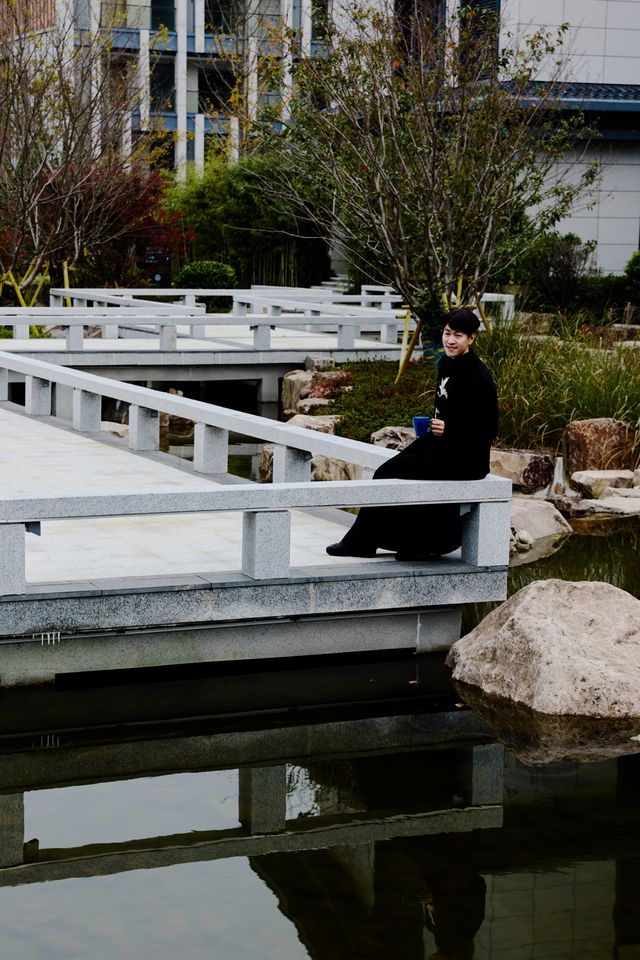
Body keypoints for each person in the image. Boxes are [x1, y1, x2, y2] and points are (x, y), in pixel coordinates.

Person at [326, 307, 498, 561]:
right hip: (441, 445)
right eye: (447, 333)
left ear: (471, 339)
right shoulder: (445, 363)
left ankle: (385, 543)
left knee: (391, 473)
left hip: (466, 457)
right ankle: (391, 543)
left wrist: (451, 428)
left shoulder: (478, 375)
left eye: (458, 335)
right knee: (387, 472)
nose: (450, 340)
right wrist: (437, 425)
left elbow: (490, 427)